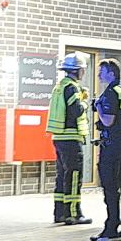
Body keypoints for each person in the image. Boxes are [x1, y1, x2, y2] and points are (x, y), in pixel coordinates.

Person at [91, 59, 121, 241]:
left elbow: (108, 121)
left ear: (111, 73)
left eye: (101, 71)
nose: (99, 75)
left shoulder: (110, 93)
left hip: (111, 145)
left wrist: (99, 107)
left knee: (110, 188)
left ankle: (111, 228)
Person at [46, 52, 92, 226]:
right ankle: (73, 213)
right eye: (83, 70)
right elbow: (76, 110)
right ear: (78, 70)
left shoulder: (60, 86)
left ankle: (60, 213)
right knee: (73, 176)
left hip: (59, 137)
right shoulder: (72, 88)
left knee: (62, 175)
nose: (84, 73)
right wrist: (85, 101)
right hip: (71, 137)